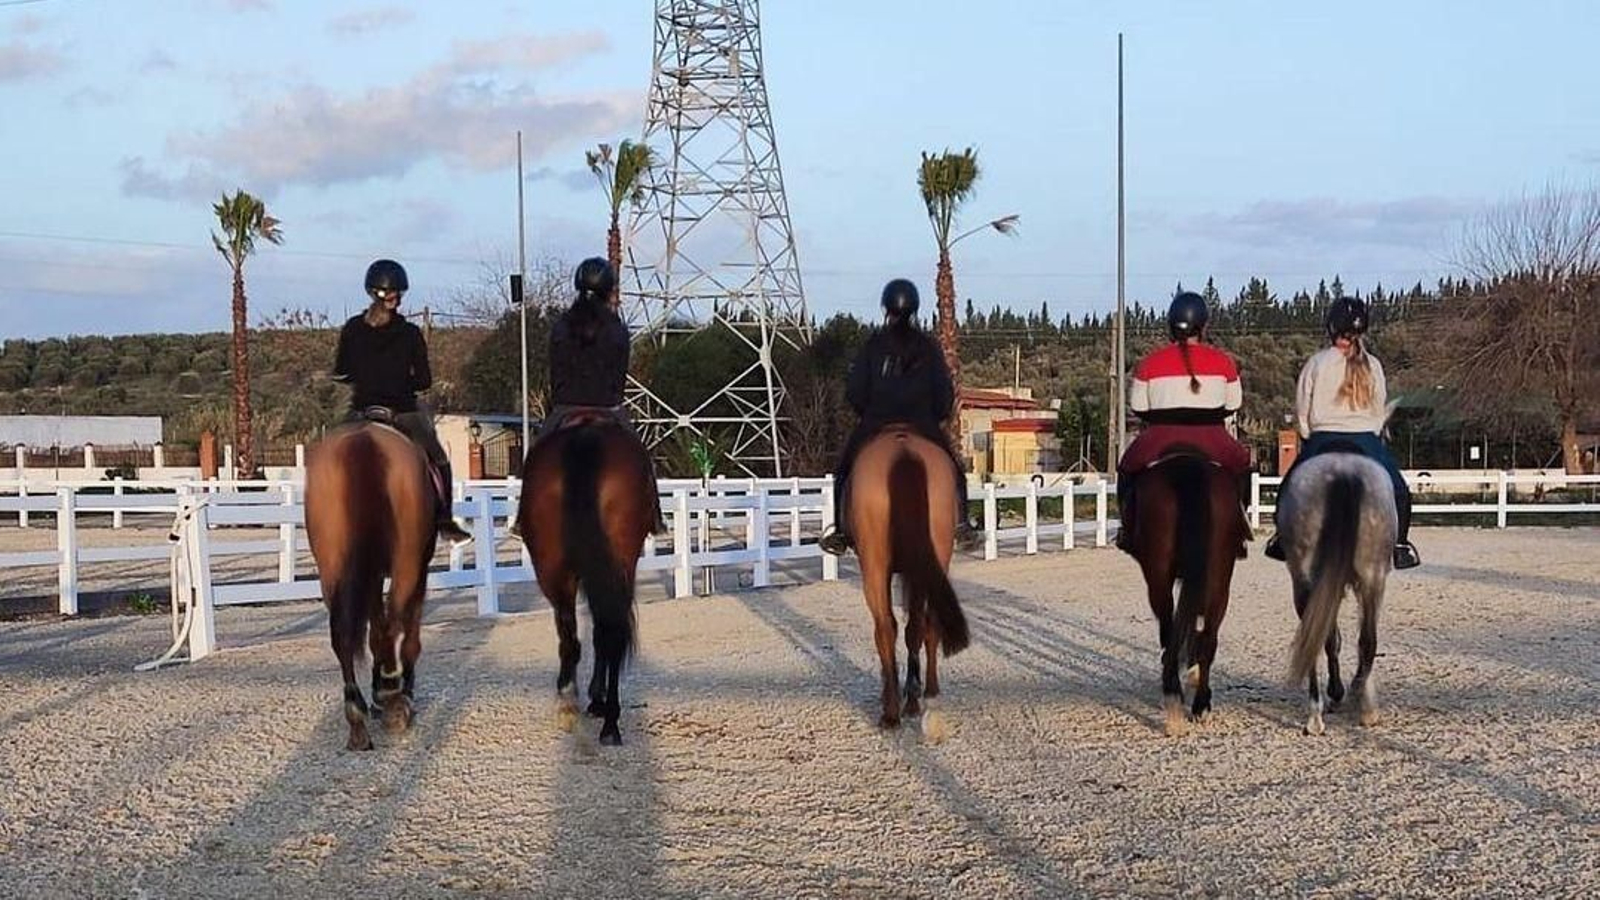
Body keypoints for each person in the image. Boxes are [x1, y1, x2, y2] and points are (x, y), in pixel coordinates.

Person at [819, 278, 977, 557]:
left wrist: (866, 413)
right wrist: (935, 416)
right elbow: (944, 394)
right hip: (922, 424)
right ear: (915, 309)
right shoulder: (928, 347)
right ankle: (962, 524)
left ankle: (840, 533)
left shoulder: (873, 345)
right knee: (954, 468)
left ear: (886, 309)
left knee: (843, 470)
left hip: (877, 422)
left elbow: (855, 391)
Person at [1264, 297, 1421, 569]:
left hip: (1323, 438)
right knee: (1398, 489)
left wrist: (1307, 435)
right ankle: (1400, 545)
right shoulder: (1374, 365)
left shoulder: (1317, 362)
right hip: (1366, 439)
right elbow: (1378, 408)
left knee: (1289, 485)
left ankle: (1280, 538)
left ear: (1331, 327)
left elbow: (1303, 409)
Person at [333, 259, 471, 544]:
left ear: (372, 292)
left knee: (330, 452)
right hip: (402, 413)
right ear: (398, 294)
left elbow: (342, 371)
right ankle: (445, 520)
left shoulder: (352, 329)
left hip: (361, 411)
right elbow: (424, 381)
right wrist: (400, 382)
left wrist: (364, 377)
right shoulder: (410, 333)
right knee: (438, 458)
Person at [1114, 290, 1252, 553]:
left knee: (1127, 468)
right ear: (1203, 326)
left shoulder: (1149, 363)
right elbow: (1234, 404)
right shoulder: (1223, 362)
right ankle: (1237, 527)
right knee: (1242, 465)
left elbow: (1138, 406)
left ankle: (1128, 529)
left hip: (1160, 436)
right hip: (1212, 435)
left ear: (1171, 325)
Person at [537, 257, 664, 532]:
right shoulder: (617, 328)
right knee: (641, 459)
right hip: (608, 407)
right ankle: (655, 516)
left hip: (565, 406)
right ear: (608, 288)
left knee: (537, 456)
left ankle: (523, 519)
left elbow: (555, 371)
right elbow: (618, 375)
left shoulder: (561, 326)